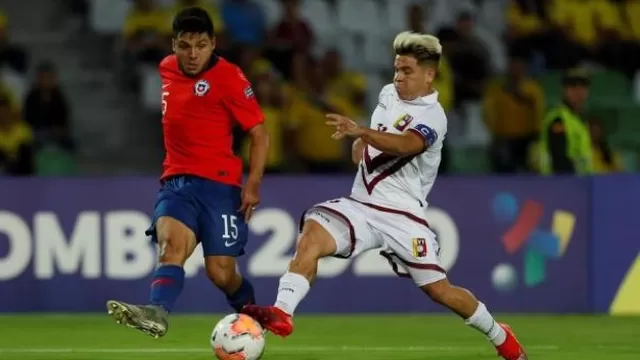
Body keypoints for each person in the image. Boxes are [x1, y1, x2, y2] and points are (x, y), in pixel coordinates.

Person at [242, 31, 527, 360]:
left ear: (429, 74)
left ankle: (498, 332)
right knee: (312, 236)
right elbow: (375, 138)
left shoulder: (433, 115)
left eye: (407, 71)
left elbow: (407, 144)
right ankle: (282, 312)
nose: (399, 76)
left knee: (440, 291)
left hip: (403, 216)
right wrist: (360, 144)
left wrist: (361, 131)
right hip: (361, 205)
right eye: (396, 69)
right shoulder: (388, 94)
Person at [106, 7, 269, 339]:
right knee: (170, 246)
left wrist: (252, 184)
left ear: (213, 44)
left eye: (201, 45)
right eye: (185, 46)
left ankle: (253, 317)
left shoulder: (230, 77)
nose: (192, 54)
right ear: (173, 45)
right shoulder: (166, 69)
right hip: (177, 183)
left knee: (221, 273)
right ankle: (158, 311)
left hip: (220, 186)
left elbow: (260, 133)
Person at [538, 68, 593, 175]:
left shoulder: (579, 120)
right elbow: (559, 161)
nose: (578, 92)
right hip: (561, 184)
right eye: (573, 87)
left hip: (579, 184)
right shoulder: (558, 120)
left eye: (582, 87)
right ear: (564, 91)